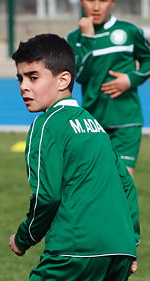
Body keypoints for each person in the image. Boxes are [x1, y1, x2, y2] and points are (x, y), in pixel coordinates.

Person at [4, 33, 140, 281]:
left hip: (75, 247)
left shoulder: (47, 124)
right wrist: (132, 242)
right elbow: (126, 186)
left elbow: (47, 196)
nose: (24, 86)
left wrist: (24, 237)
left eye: (33, 76)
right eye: (20, 78)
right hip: (118, 249)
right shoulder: (94, 124)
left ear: (63, 79)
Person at [67, 0, 150, 177]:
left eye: (103, 0)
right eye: (90, 0)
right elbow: (78, 76)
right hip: (91, 122)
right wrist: (88, 39)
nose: (96, 7)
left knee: (123, 180)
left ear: (112, 2)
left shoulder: (129, 31)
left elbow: (147, 60)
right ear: (82, 2)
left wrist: (130, 79)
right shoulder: (75, 38)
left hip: (125, 120)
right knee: (94, 182)